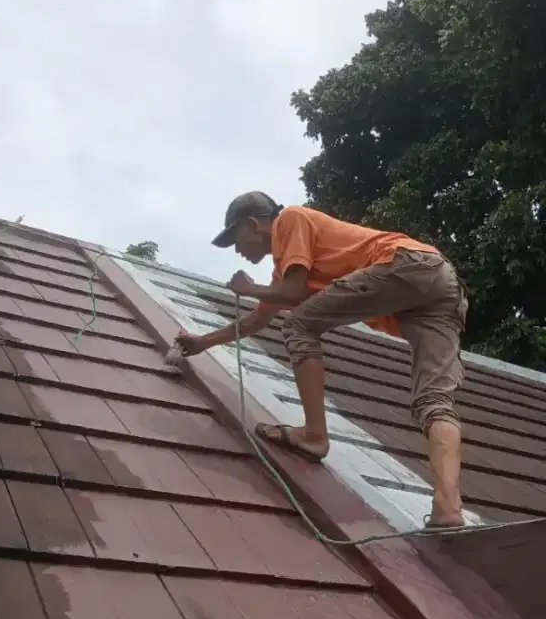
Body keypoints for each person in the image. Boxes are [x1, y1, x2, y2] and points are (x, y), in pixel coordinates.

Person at [177, 192, 468, 529]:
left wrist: (250, 287)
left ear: (252, 224)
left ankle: (314, 436)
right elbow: (258, 320)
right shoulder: (286, 273)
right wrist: (202, 343)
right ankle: (448, 509)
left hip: (405, 263)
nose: (237, 250)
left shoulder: (291, 220)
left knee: (298, 324)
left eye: (235, 239)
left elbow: (294, 295)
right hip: (440, 283)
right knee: (433, 401)